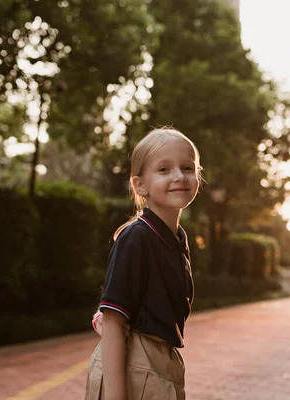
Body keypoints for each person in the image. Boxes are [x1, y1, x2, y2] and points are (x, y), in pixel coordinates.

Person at [85, 127, 202, 400]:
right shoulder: (137, 237)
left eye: (187, 167)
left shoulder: (175, 238)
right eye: (163, 169)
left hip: (163, 363)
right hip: (135, 366)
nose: (178, 177)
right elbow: (114, 322)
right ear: (140, 184)